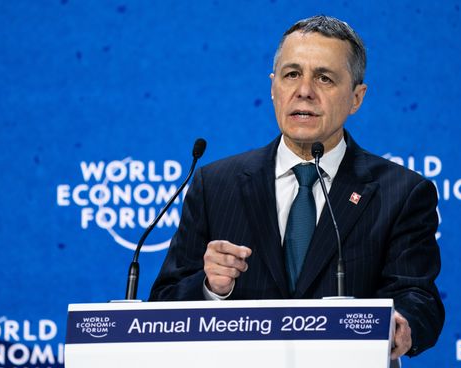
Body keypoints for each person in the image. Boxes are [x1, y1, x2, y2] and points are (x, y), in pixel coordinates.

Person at [149, 15, 444, 359]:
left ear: (356, 98)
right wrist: (210, 288)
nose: (304, 91)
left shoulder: (401, 192)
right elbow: (163, 304)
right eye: (292, 75)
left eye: (324, 77)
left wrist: (402, 324)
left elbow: (419, 298)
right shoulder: (215, 184)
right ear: (273, 88)